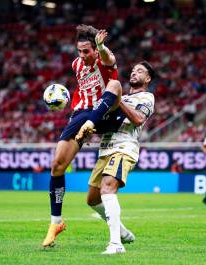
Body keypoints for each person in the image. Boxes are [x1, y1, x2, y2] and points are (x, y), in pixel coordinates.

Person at [42, 24, 122, 247]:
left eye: (87, 51)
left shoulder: (103, 58)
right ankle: (55, 223)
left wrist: (101, 46)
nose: (83, 55)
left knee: (115, 84)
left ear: (95, 50)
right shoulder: (76, 64)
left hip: (107, 112)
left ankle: (91, 122)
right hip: (82, 114)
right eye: (80, 51)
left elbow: (107, 57)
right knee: (57, 165)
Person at [85, 61, 155, 254]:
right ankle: (123, 232)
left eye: (139, 71)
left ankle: (116, 245)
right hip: (105, 149)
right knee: (92, 199)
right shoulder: (118, 96)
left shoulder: (146, 97)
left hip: (124, 147)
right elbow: (109, 122)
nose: (134, 73)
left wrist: (118, 100)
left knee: (108, 188)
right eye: (133, 70)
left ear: (147, 78)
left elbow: (138, 119)